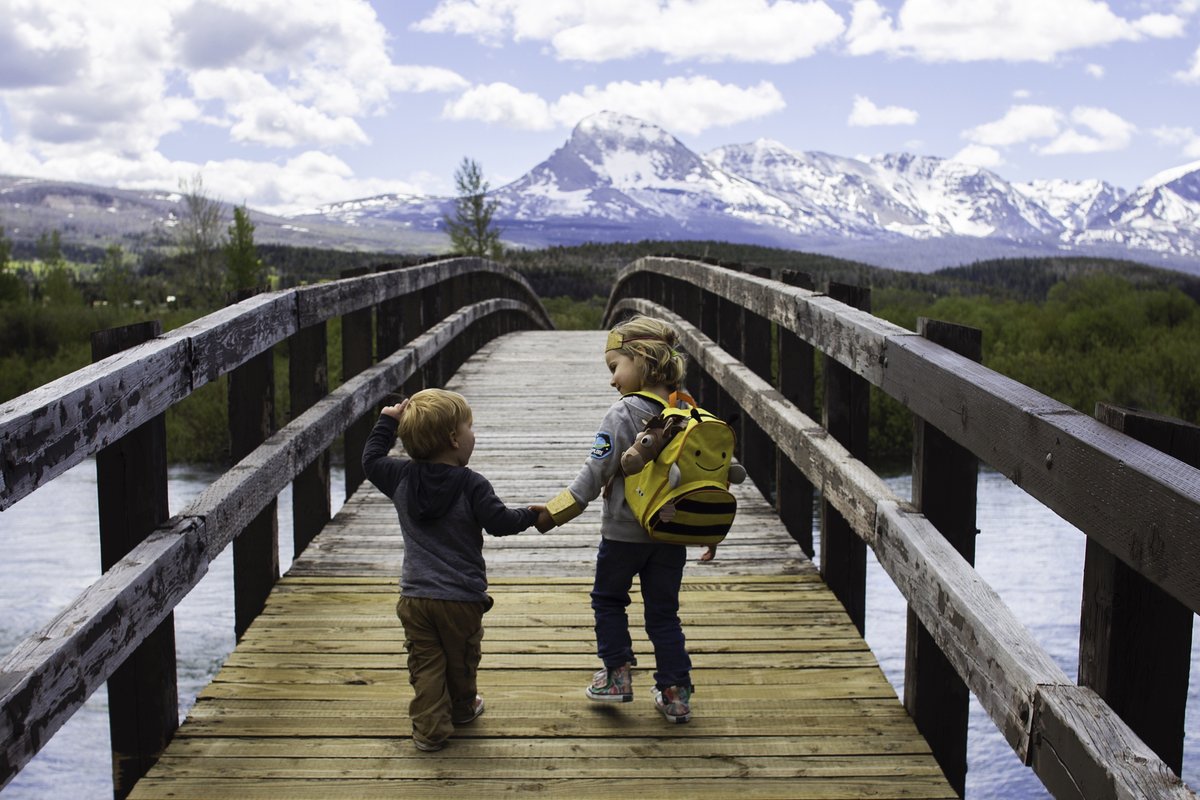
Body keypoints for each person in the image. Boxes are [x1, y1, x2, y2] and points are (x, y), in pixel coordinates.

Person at [536, 316, 713, 724]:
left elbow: (594, 471)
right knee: (664, 613)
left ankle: (617, 676)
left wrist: (554, 512)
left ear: (642, 359)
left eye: (615, 366)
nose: (612, 379)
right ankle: (675, 691)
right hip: (669, 536)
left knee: (609, 600)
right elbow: (708, 474)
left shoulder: (622, 414)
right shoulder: (688, 412)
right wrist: (705, 527)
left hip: (622, 537)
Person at [363, 388, 545, 752]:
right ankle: (462, 709)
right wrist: (531, 515)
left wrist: (387, 420)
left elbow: (370, 460)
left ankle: (430, 730)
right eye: (469, 427)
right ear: (453, 438)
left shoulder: (398, 476)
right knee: (461, 659)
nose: (472, 435)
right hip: (461, 598)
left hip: (415, 596)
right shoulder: (471, 484)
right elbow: (500, 522)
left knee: (426, 662)